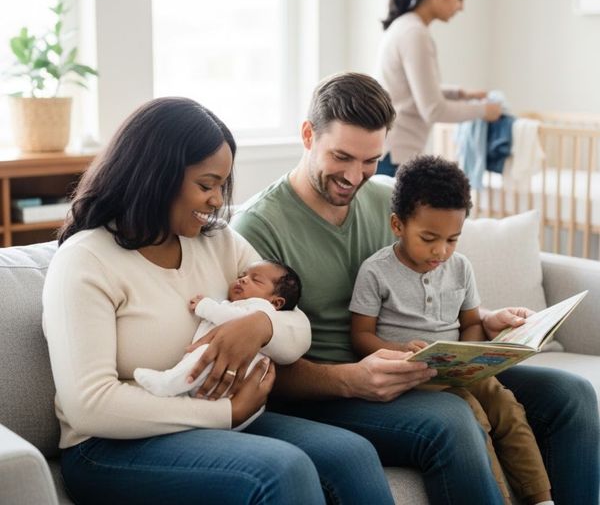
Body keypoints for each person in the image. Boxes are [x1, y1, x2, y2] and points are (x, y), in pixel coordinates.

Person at [231, 72, 600, 505]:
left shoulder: (385, 199)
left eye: (370, 160)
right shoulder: (256, 229)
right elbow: (256, 364)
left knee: (571, 396)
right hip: (330, 391)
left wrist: (486, 321)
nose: (354, 176)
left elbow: (426, 276)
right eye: (342, 156)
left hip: (416, 370)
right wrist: (351, 380)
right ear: (308, 135)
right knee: (453, 421)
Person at [42, 97, 396, 504]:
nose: (217, 201)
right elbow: (89, 404)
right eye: (206, 185)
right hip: (108, 446)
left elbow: (296, 328)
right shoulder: (86, 260)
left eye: (221, 186)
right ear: (156, 177)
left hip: (218, 423)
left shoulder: (218, 241)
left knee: (351, 454)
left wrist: (259, 325)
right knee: (280, 470)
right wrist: (226, 413)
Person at [349, 155, 553, 505]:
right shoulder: (376, 271)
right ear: (397, 225)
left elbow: (472, 322)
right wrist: (397, 351)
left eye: (452, 240)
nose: (440, 251)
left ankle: (542, 499)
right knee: (473, 419)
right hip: (412, 378)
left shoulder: (460, 268)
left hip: (460, 371)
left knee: (508, 409)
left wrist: (470, 355)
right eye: (428, 238)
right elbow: (360, 336)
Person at [134, 260, 301, 433]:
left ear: (276, 302)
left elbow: (233, 320)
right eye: (242, 276)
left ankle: (167, 383)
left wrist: (205, 306)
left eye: (255, 280)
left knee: (206, 352)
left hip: (233, 378)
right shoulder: (242, 303)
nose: (243, 280)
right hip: (229, 400)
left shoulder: (261, 308)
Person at [375, 0, 503, 175]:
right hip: (395, 155)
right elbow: (433, 110)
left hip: (392, 151)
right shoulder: (415, 34)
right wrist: (484, 111)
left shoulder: (406, 27)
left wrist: (460, 93)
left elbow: (410, 91)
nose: (461, 7)